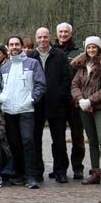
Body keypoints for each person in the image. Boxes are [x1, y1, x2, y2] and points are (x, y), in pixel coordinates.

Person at [0, 35, 46, 189]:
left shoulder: (33, 64)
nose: (14, 47)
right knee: (14, 143)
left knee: (28, 141)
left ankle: (31, 176)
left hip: (26, 110)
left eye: (17, 44)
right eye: (11, 44)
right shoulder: (5, 67)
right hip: (9, 110)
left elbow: (41, 84)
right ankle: (20, 173)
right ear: (8, 47)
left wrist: (31, 99)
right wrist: (1, 98)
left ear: (22, 46)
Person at [70, 36, 101, 188]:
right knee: (91, 140)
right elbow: (74, 85)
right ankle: (95, 172)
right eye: (88, 47)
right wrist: (81, 100)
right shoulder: (82, 65)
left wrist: (91, 100)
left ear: (99, 48)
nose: (91, 50)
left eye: (94, 47)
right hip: (84, 108)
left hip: (100, 108)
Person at [28, 27, 71, 184]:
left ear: (50, 37)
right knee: (35, 139)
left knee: (59, 140)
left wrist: (60, 95)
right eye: (39, 37)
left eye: (45, 37)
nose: (43, 40)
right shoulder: (31, 57)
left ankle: (60, 171)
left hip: (56, 104)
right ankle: (38, 171)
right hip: (37, 104)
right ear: (36, 38)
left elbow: (67, 79)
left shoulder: (60, 56)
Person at [53, 22, 86, 180]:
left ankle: (78, 167)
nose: (63, 34)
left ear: (70, 33)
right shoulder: (52, 51)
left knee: (77, 136)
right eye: (61, 32)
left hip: (75, 101)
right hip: (58, 101)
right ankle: (59, 167)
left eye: (66, 32)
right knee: (57, 138)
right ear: (57, 33)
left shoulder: (79, 52)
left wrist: (79, 96)